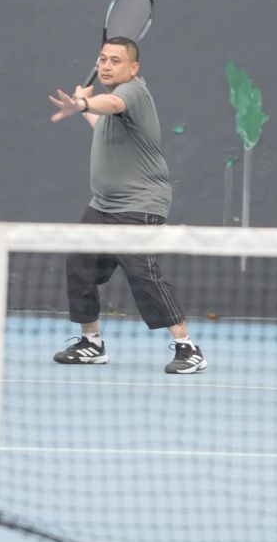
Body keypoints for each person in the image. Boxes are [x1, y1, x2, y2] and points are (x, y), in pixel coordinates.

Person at [47, 36, 207, 374]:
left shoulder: (133, 91)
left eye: (115, 61)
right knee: (79, 263)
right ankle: (91, 343)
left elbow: (112, 104)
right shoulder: (112, 105)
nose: (106, 66)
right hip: (103, 204)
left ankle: (188, 347)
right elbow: (103, 123)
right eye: (103, 59)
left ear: (133, 68)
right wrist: (85, 110)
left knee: (141, 270)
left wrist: (84, 103)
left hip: (140, 202)